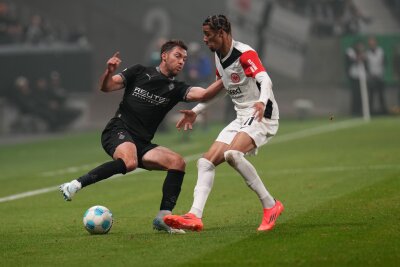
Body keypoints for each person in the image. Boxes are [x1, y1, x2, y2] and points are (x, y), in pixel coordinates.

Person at [59, 40, 224, 233]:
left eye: (185, 59)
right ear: (164, 56)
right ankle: (74, 185)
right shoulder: (139, 72)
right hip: (118, 129)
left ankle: (163, 217)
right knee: (129, 162)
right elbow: (107, 87)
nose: (182, 62)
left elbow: (204, 94)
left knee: (178, 162)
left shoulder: (177, 88)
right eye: (177, 56)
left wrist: (227, 77)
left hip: (142, 142)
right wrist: (109, 71)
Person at [163, 15, 283, 232]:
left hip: (261, 114)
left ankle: (271, 205)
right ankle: (194, 216)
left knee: (232, 155)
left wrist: (261, 102)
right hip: (241, 116)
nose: (204, 39)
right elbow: (225, 87)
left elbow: (266, 80)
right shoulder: (219, 55)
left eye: (208, 35)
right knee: (205, 162)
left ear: (222, 33)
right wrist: (196, 111)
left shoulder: (244, 54)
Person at [365, 36, 387, 115]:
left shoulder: (381, 51)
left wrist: (381, 72)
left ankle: (384, 110)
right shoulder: (367, 53)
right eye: (370, 43)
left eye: (373, 42)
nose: (372, 44)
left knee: (381, 95)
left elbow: (384, 62)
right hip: (371, 77)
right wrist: (370, 74)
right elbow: (366, 65)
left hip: (380, 76)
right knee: (371, 95)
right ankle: (370, 111)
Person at [345, 40, 365, 116]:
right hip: (354, 76)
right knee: (355, 94)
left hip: (361, 76)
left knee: (361, 95)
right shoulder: (350, 52)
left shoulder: (362, 53)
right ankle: (354, 111)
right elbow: (351, 61)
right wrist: (358, 58)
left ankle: (360, 111)